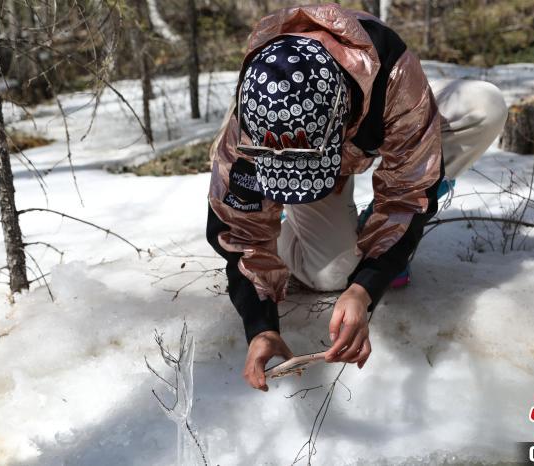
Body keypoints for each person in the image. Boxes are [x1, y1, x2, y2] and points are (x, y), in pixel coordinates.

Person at [205, 4, 508, 391]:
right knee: (331, 274)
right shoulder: (252, 117)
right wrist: (260, 326)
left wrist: (366, 286)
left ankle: (369, 227)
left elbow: (407, 193)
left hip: (383, 122)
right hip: (318, 152)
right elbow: (239, 231)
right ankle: (288, 232)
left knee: (484, 105)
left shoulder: (392, 75)